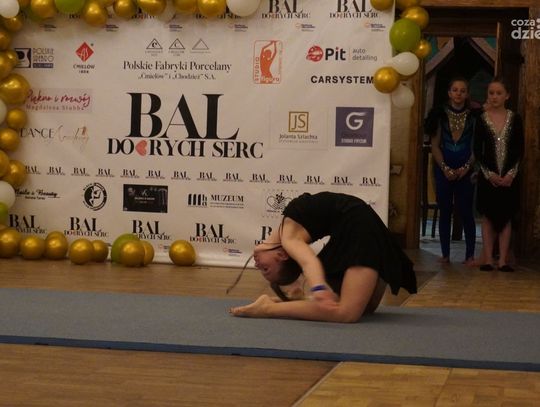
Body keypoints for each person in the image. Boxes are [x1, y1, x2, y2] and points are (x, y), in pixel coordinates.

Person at [228, 192, 417, 323]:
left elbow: (308, 261)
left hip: (359, 224)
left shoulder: (288, 237)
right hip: (358, 225)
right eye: (264, 269)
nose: (257, 265)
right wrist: (313, 289)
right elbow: (305, 261)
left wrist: (319, 287)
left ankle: (267, 308)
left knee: (347, 313)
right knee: (361, 308)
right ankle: (290, 302)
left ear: (282, 255)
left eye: (265, 269)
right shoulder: (289, 233)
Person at [424, 77, 478, 266]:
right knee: (445, 210)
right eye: (455, 90)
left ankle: (470, 255)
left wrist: (466, 168)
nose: (458, 94)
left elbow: (476, 147)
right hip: (443, 169)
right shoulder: (439, 115)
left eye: (462, 90)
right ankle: (445, 254)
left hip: (466, 170)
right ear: (449, 93)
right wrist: (445, 168)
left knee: (466, 211)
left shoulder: (474, 117)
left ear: (467, 94)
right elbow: (435, 145)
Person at [474, 78, 524, 272]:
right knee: (488, 216)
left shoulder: (515, 119)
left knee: (506, 216)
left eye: (498, 93)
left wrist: (511, 174)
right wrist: (489, 174)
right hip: (489, 177)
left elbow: (519, 149)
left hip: (509, 177)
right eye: (491, 93)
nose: (494, 97)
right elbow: (477, 150)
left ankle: (503, 260)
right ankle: (488, 259)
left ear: (507, 96)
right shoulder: (482, 119)